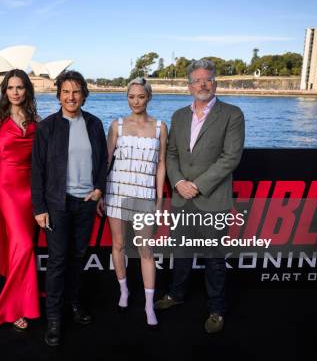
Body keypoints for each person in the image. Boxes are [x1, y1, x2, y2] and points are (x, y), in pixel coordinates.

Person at [154, 59, 245, 334]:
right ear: (189, 86)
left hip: (212, 199)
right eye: (197, 80)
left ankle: (217, 308)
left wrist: (197, 185)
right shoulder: (179, 116)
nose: (202, 84)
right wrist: (179, 181)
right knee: (180, 252)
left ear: (215, 83)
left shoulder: (232, 114)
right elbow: (170, 154)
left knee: (215, 258)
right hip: (182, 198)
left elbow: (231, 157)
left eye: (207, 79)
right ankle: (177, 294)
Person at [31, 70, 108, 346]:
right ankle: (53, 318)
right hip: (57, 205)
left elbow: (103, 162)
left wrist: (99, 189)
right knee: (58, 260)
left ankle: (74, 304)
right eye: (65, 91)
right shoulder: (48, 127)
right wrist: (39, 207)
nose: (71, 97)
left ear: (84, 95)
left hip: (85, 203)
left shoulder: (95, 124)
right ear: (59, 95)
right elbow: (37, 170)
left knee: (78, 257)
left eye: (76, 91)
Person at [99, 77, 167, 329]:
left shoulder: (161, 127)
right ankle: (124, 291)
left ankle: (149, 305)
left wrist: (159, 198)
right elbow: (106, 161)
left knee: (146, 251)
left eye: (140, 96)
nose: (136, 101)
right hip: (116, 192)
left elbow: (161, 164)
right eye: (131, 97)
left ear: (148, 97)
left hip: (144, 196)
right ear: (127, 98)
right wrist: (101, 193)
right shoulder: (116, 125)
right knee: (118, 245)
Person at [0, 69, 41, 331]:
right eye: (10, 88)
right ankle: (13, 306)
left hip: (31, 188)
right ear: (5, 91)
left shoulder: (37, 120)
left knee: (18, 246)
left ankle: (23, 298)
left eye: (20, 87)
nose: (15, 92)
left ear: (27, 90)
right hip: (7, 187)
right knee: (24, 244)